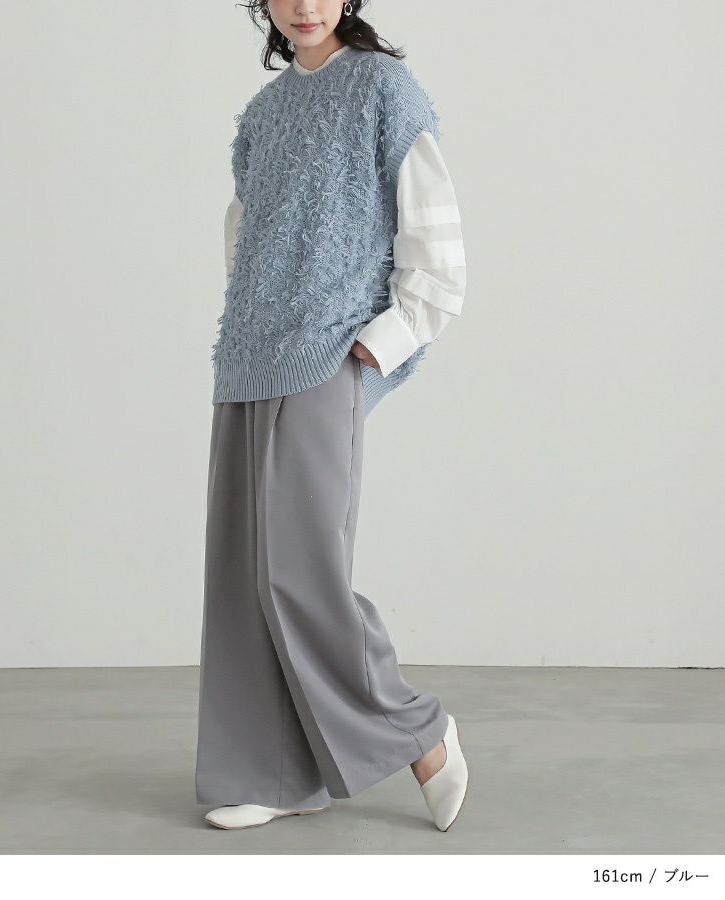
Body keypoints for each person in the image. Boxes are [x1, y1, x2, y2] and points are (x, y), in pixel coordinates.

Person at [195, 0, 469, 832]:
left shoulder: (384, 89)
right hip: (249, 355)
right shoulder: (265, 113)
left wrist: (378, 345)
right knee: (245, 573)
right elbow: (247, 229)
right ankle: (270, 771)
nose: (304, 5)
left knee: (299, 569)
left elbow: (436, 242)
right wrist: (252, 315)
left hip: (326, 354)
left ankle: (418, 732)